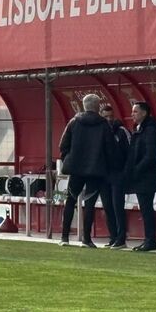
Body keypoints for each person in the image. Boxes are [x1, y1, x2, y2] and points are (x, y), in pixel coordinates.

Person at [58, 94, 115, 248]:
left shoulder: (74, 122)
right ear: (97, 107)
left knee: (70, 200)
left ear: (84, 106)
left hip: (76, 169)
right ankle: (86, 239)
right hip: (96, 170)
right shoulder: (103, 125)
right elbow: (110, 149)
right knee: (89, 204)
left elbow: (63, 145)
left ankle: (64, 237)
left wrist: (68, 159)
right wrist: (107, 166)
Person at [125, 101, 156, 252]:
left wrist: (136, 170)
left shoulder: (151, 129)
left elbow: (151, 155)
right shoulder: (139, 129)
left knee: (147, 208)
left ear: (144, 113)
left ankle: (151, 240)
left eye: (135, 111)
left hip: (147, 176)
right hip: (141, 175)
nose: (132, 114)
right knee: (145, 208)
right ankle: (148, 239)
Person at [99, 104, 131, 249]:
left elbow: (130, 153)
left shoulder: (122, 131)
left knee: (118, 206)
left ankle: (121, 238)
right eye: (106, 117)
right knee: (108, 207)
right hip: (103, 175)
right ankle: (112, 237)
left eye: (111, 116)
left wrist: (125, 172)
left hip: (118, 174)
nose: (109, 119)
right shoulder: (98, 131)